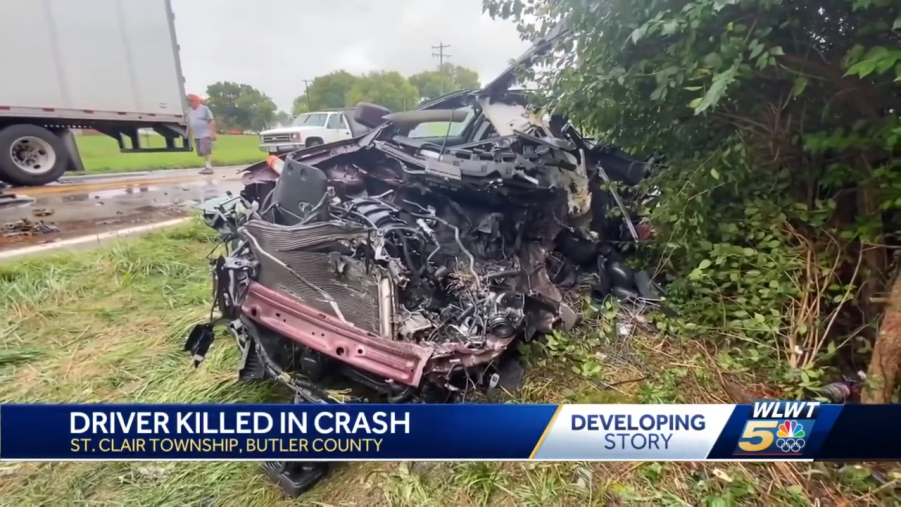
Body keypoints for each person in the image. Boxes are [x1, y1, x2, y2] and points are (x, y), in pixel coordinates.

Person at [187, 94, 216, 175]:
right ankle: (207, 166)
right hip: (197, 135)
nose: (191, 103)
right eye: (190, 101)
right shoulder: (190, 111)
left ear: (197, 101)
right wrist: (189, 131)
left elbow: (211, 120)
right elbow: (191, 122)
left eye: (192, 101)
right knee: (201, 152)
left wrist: (212, 132)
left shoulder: (204, 109)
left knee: (205, 151)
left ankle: (209, 167)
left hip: (205, 133)